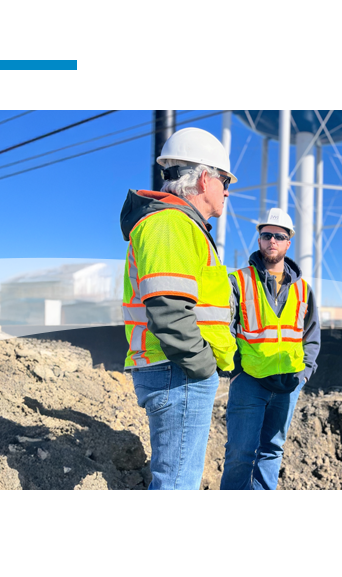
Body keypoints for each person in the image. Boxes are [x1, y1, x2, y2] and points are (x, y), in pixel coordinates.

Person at [119, 127, 237, 490]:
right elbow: (168, 308)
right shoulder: (170, 224)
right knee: (176, 483)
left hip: (178, 369)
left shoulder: (182, 226)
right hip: (179, 370)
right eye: (225, 180)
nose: (228, 190)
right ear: (204, 179)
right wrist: (202, 366)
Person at [221, 208, 321, 490]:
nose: (272, 241)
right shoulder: (238, 281)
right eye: (266, 235)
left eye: (279, 236)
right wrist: (236, 369)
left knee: (272, 450)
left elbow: (311, 334)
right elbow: (224, 328)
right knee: (240, 453)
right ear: (259, 239)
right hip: (249, 381)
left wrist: (304, 375)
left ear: (289, 242)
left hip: (288, 383)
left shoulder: (303, 289)